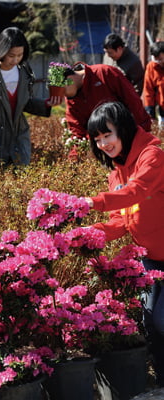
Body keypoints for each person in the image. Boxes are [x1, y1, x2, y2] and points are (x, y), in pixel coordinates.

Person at [84, 101, 164, 386]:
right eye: (98, 139)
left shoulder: (152, 156)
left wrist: (91, 203)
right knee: (152, 322)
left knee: (161, 321)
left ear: (125, 130)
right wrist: (86, 234)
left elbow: (136, 192)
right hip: (151, 259)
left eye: (108, 134)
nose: (103, 143)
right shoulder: (116, 172)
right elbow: (121, 221)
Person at [0, 27, 61, 170]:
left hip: (18, 136)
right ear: (1, 51)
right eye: (11, 55)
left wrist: (46, 104)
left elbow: (23, 103)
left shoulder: (23, 69)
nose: (15, 60)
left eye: (20, 55)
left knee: (20, 181)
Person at [64, 62, 151, 143]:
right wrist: (76, 156)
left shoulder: (104, 73)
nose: (63, 95)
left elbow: (133, 101)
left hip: (127, 136)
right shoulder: (71, 98)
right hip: (102, 146)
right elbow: (76, 129)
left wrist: (143, 130)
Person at [143, 41, 164, 128]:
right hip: (162, 107)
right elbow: (148, 91)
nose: (159, 62)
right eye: (156, 59)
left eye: (161, 59)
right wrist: (149, 111)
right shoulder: (151, 67)